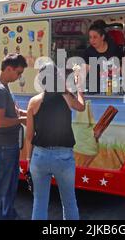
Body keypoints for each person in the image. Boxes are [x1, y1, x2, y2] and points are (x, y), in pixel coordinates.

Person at [25, 63, 86, 220]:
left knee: (39, 202)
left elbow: (29, 136)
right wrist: (79, 86)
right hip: (63, 157)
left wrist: (28, 160)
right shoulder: (66, 97)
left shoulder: (33, 102)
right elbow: (81, 107)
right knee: (69, 202)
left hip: (39, 156)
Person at [0, 54, 28, 220]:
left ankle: (8, 215)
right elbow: (0, 122)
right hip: (2, 145)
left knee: (9, 185)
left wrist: (27, 114)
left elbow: (14, 111)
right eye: (18, 73)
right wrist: (23, 119)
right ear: (9, 69)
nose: (19, 77)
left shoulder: (3, 84)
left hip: (8, 144)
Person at [83, 23, 123, 94]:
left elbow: (121, 68)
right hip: (94, 91)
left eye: (95, 37)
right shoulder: (88, 52)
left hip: (112, 90)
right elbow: (84, 71)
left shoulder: (113, 48)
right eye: (90, 37)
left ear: (102, 37)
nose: (92, 40)